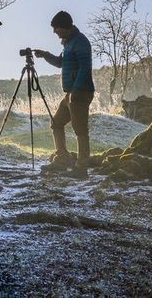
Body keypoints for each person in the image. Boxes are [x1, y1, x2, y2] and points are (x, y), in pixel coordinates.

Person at [33, 10, 95, 178]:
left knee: (80, 129)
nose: (54, 32)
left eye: (56, 28)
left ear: (65, 26)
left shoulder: (80, 41)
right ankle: (62, 160)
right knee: (56, 123)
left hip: (80, 92)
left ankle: (82, 168)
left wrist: (75, 91)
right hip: (70, 94)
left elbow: (84, 68)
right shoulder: (68, 43)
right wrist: (45, 55)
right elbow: (61, 63)